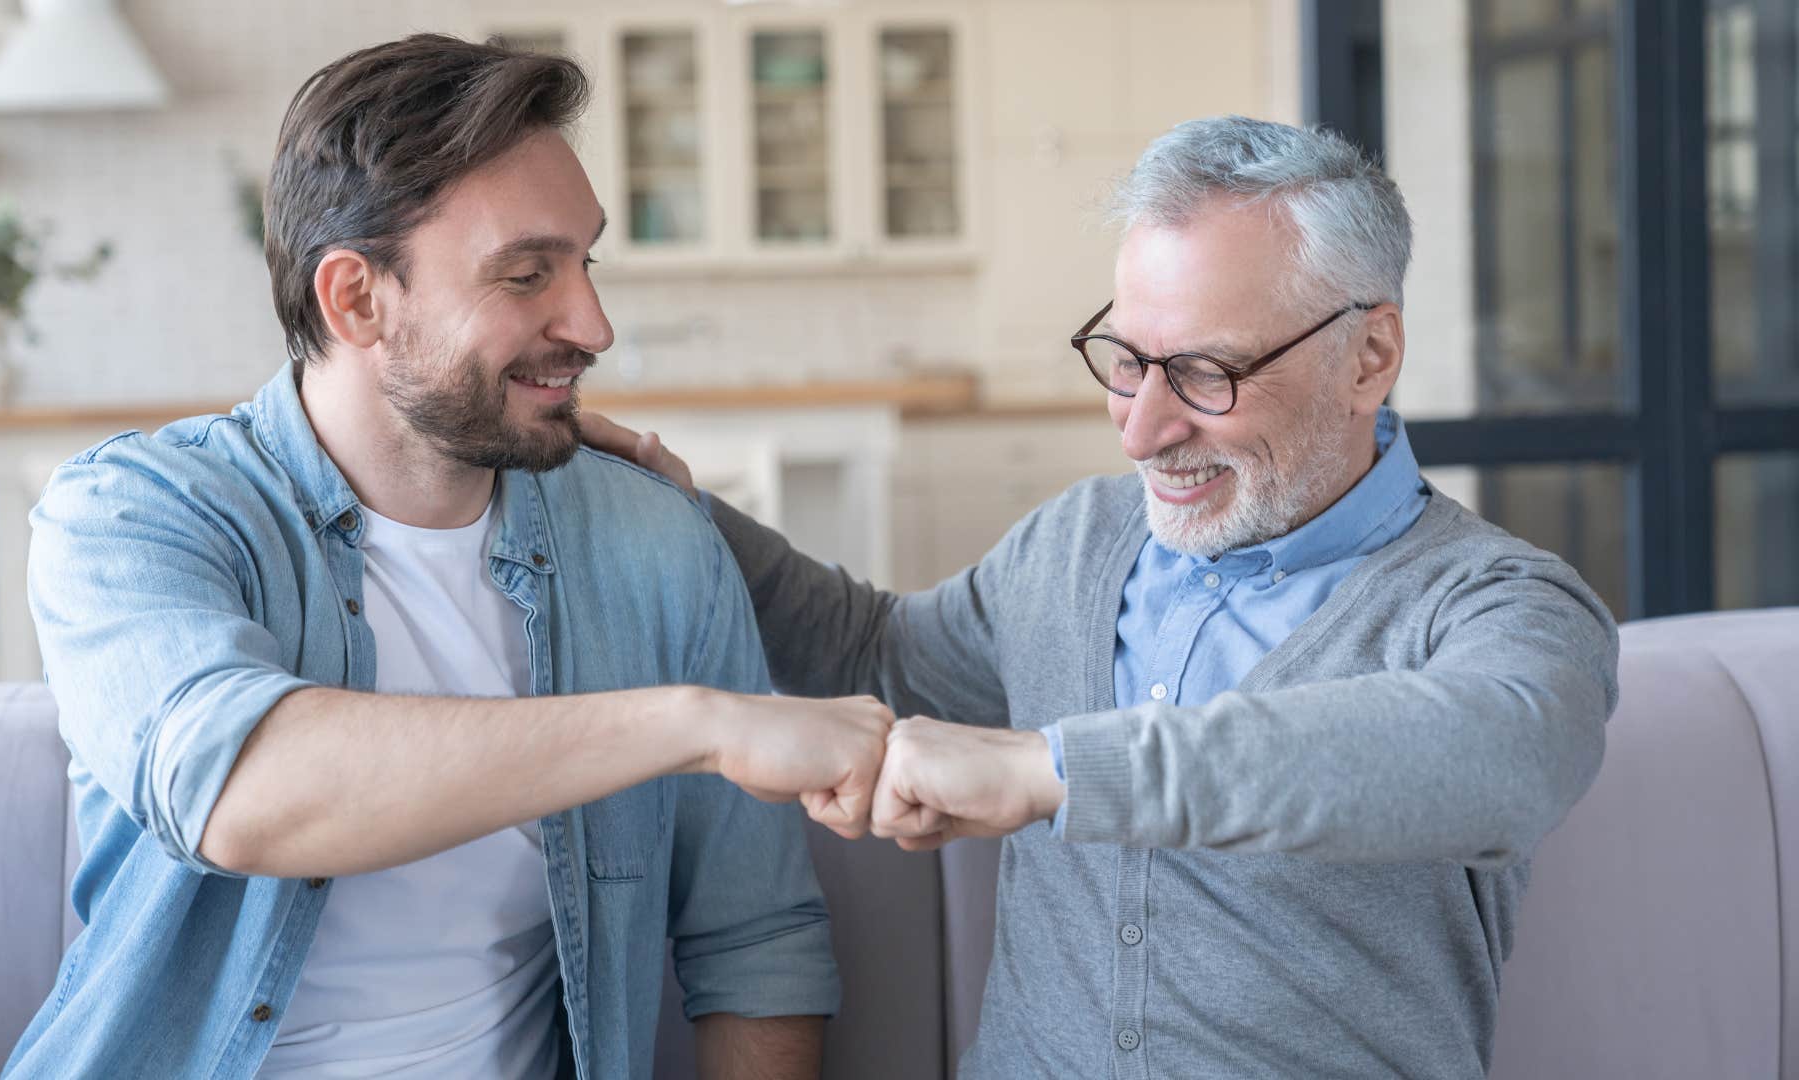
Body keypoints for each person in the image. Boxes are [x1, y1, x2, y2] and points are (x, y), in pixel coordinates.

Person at [588, 115, 1620, 1078]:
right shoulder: (1080, 540)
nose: (1140, 431)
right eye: (1126, 361)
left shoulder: (1494, 599)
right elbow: (874, 652)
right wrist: (687, 519)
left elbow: (1506, 754)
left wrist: (1054, 771)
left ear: (1370, 357)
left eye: (1207, 373)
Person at [5, 35, 891, 1080]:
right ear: (356, 300)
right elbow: (239, 790)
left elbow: (757, 947)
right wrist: (697, 724)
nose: (593, 325)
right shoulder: (134, 514)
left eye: (586, 263)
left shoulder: (655, 545)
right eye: (525, 275)